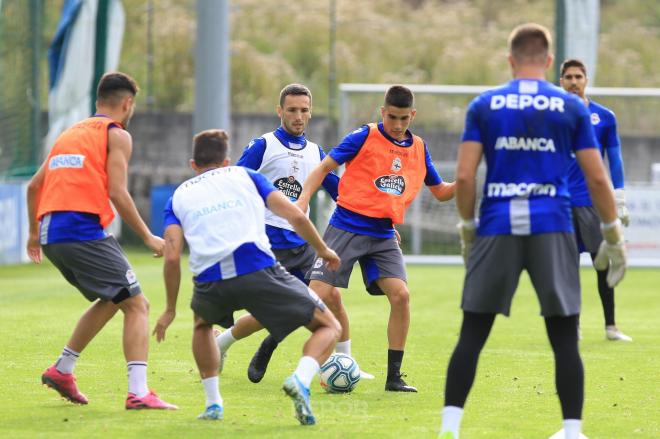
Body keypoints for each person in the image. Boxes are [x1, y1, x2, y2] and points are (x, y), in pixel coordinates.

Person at [437, 24, 627, 439]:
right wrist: (612, 233)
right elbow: (598, 179)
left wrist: (468, 228)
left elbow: (466, 178)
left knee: (473, 331)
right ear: (546, 61)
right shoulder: (571, 107)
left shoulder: (484, 105)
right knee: (563, 335)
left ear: (510, 60)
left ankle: (449, 428)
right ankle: (572, 430)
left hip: (497, 225)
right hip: (552, 224)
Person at [153, 129, 341, 425]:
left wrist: (169, 309)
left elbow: (173, 255)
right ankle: (300, 380)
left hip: (208, 279)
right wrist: (323, 249)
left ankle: (213, 404)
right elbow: (296, 216)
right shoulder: (245, 176)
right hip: (256, 267)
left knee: (202, 326)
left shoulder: (178, 196)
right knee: (329, 325)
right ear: (226, 160)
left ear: (193, 165)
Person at [26, 72, 177, 410]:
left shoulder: (69, 134)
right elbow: (117, 192)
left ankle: (62, 370)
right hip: (81, 228)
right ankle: (138, 393)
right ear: (127, 104)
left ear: (99, 101)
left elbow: (34, 186)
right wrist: (149, 237)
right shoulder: (117, 135)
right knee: (138, 305)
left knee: (114, 298)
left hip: (53, 232)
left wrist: (34, 235)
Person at [296, 84, 456, 392]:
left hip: (383, 233)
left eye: (403, 119)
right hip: (347, 225)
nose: (397, 125)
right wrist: (304, 199)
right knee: (315, 297)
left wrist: (465, 181)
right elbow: (324, 168)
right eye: (392, 117)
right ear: (382, 112)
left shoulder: (420, 148)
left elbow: (440, 192)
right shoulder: (363, 136)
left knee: (401, 296)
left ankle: (394, 377)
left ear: (413, 115)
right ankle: (274, 347)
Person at [213, 84, 374, 383]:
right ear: (280, 111)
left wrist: (375, 218)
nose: (298, 116)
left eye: (303, 110)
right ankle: (224, 343)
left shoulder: (316, 153)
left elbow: (339, 191)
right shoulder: (263, 145)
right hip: (269, 243)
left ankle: (346, 362)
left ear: (310, 112)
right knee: (273, 309)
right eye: (292, 110)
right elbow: (235, 181)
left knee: (333, 299)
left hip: (304, 244)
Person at [559, 58, 632, 342]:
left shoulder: (604, 117)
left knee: (602, 263)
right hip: (562, 203)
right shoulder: (552, 118)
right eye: (568, 77)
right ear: (561, 82)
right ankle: (573, 326)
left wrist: (620, 194)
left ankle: (610, 326)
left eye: (578, 76)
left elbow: (614, 158)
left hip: (592, 202)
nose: (574, 81)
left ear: (586, 79)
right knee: (567, 267)